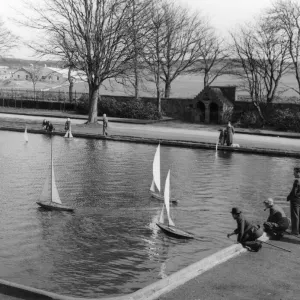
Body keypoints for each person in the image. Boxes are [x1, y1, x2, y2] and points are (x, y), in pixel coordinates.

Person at [287, 167, 300, 235]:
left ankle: (294, 231)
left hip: (295, 200)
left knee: (295, 215)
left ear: (298, 173)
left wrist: (288, 197)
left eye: (294, 172)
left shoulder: (297, 180)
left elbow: (293, 192)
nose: (293, 173)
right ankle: (298, 229)